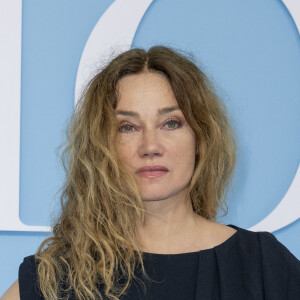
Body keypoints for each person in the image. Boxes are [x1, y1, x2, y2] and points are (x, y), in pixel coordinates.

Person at [2, 46, 300, 300]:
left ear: (201, 136)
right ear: (101, 146)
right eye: (127, 127)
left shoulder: (263, 266)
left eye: (171, 123)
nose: (150, 146)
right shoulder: (57, 276)